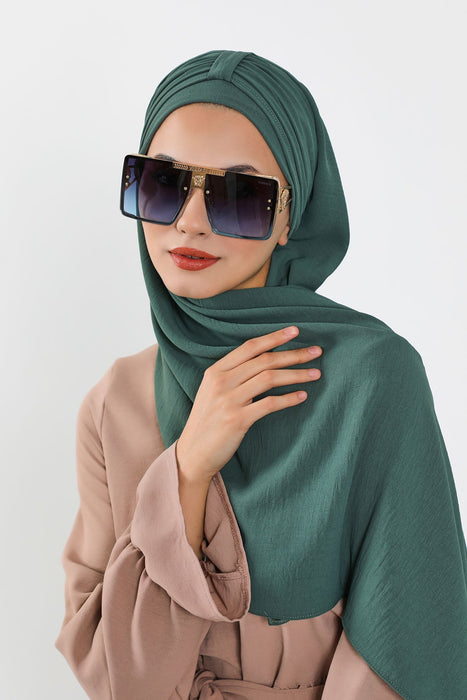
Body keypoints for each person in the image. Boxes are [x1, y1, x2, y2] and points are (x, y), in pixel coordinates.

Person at [54, 50, 467, 699]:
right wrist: (187, 469)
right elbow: (115, 674)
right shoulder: (116, 402)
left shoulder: (373, 380)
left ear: (288, 218)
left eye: (238, 196)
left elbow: (409, 639)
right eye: (162, 183)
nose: (189, 221)